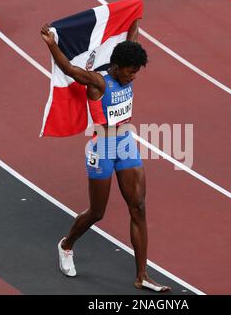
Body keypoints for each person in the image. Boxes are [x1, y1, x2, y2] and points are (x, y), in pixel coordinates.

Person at [41, 19, 170, 292]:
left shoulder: (127, 60)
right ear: (117, 66)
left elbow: (132, 39)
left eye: (136, 73)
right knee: (97, 212)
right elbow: (69, 69)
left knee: (139, 207)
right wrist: (52, 45)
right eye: (130, 73)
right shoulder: (98, 82)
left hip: (126, 143)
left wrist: (134, 15)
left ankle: (142, 275)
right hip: (102, 149)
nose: (133, 77)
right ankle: (66, 245)